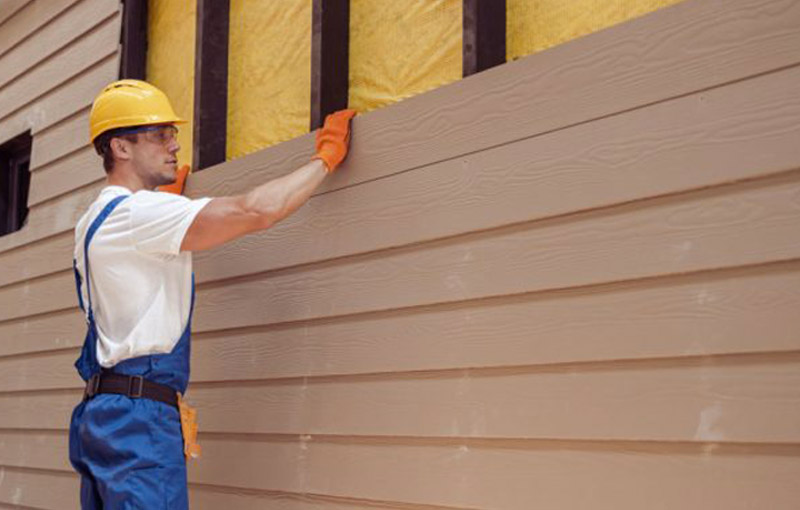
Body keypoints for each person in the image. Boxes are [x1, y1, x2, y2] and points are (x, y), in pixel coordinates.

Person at [68, 79, 355, 509]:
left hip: (103, 415)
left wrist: (169, 201)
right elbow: (255, 210)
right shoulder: (139, 213)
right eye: (160, 134)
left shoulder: (93, 219)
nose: (174, 145)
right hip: (139, 420)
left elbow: (138, 266)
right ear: (121, 148)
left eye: (174, 134)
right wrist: (324, 158)